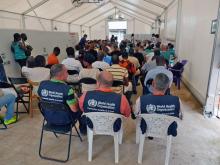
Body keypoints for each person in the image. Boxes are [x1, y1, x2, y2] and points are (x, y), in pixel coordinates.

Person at [38, 64, 86, 133]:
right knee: (81, 107)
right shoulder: (67, 90)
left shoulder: (42, 85)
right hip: (65, 121)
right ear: (61, 75)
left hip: (49, 118)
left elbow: (42, 99)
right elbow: (74, 110)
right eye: (66, 72)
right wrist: (77, 101)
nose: (68, 74)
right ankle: (83, 129)